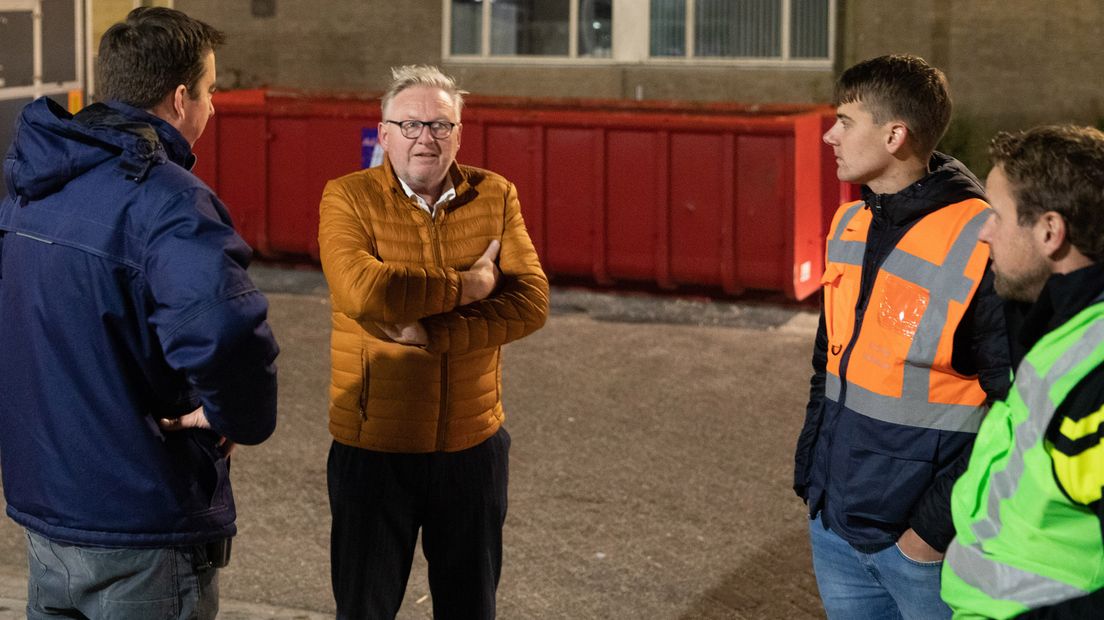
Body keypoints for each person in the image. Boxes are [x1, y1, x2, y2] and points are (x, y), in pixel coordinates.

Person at [0, 7, 279, 620]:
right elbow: (225, 331)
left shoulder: (31, 185)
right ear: (180, 98)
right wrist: (236, 415)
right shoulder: (170, 202)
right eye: (210, 91)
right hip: (141, 523)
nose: (214, 105)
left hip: (46, 513)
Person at [318, 65, 549, 619]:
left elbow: (531, 302)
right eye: (412, 124)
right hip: (375, 449)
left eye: (441, 125)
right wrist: (471, 284)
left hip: (471, 448)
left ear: (460, 133)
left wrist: (433, 332)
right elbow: (364, 290)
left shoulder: (494, 195)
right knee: (365, 609)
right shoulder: (347, 198)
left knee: (471, 607)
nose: (427, 137)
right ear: (386, 131)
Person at [792, 54, 1010, 619]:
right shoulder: (849, 224)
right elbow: (828, 367)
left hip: (922, 550)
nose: (827, 135)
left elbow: (1015, 413)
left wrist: (928, 534)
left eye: (845, 121)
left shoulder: (982, 239)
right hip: (836, 526)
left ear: (894, 134)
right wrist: (813, 486)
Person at [941, 125, 1104, 619]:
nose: (983, 230)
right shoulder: (1053, 320)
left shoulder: (1094, 374)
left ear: (1050, 232)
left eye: (996, 215)